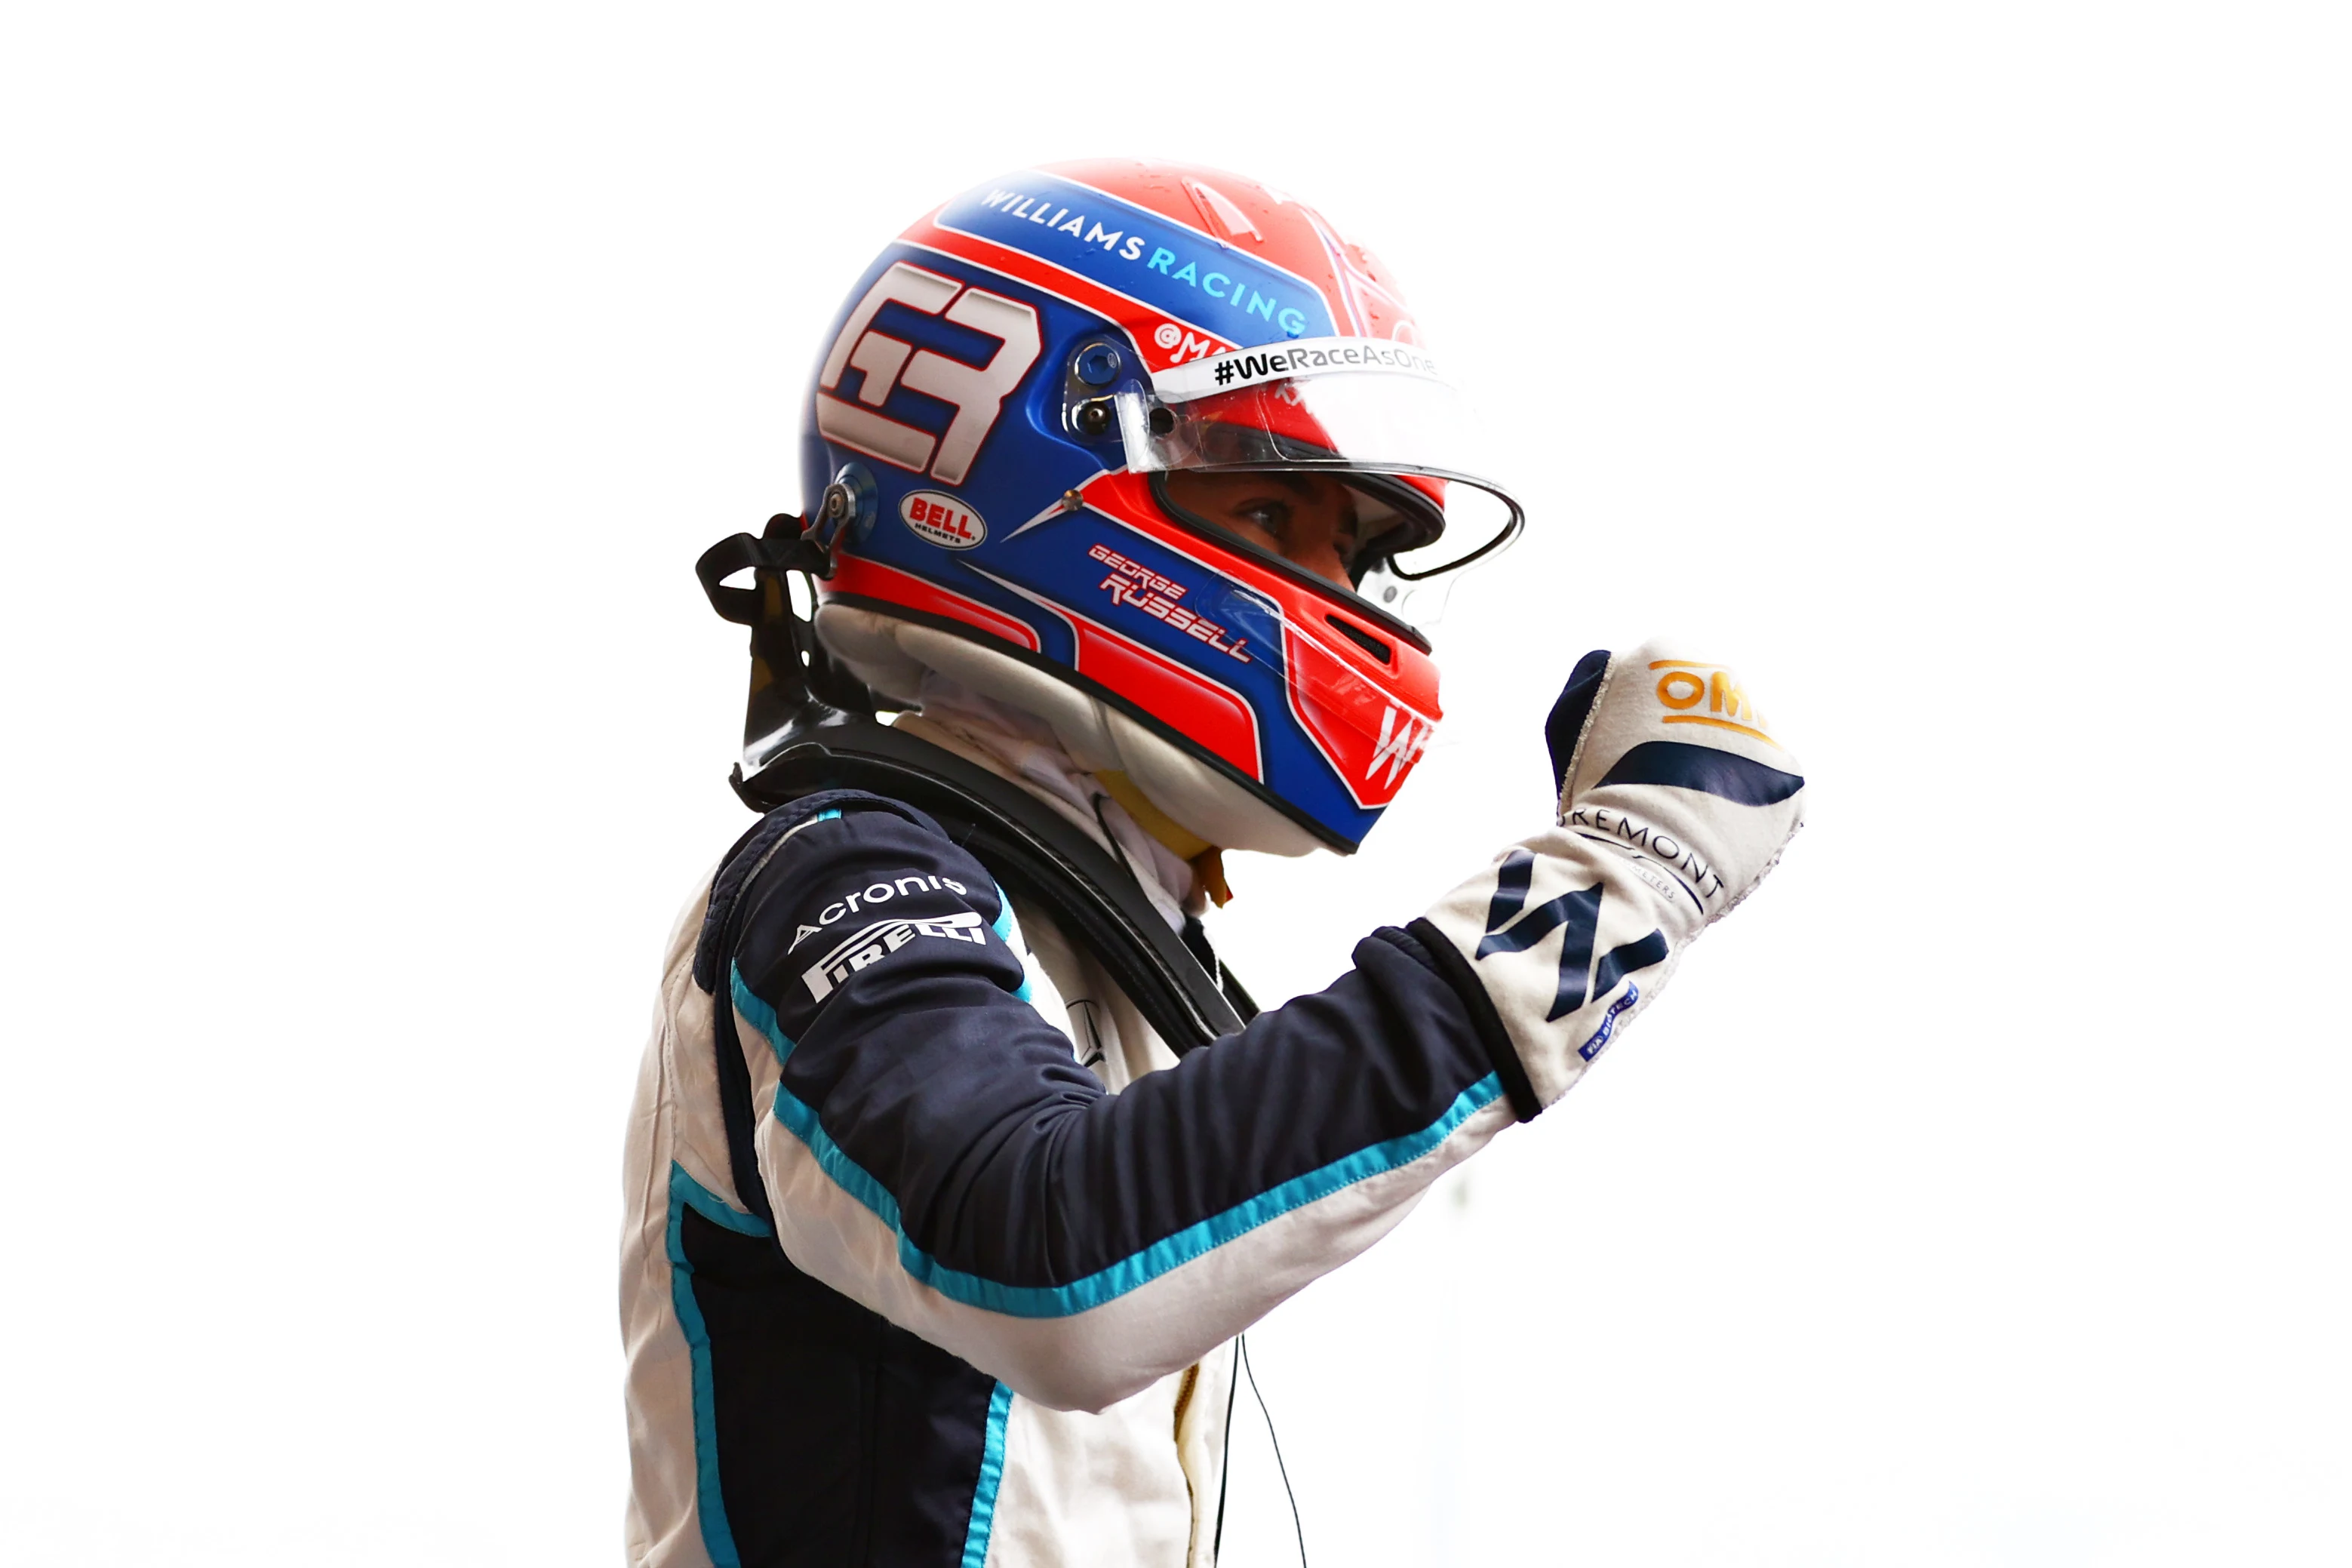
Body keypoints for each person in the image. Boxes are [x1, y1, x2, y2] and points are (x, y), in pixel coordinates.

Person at [619, 158, 1806, 1568]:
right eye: (1267, 514)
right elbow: (1052, 1259)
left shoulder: (1088, 928)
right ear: (1036, 470)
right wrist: (1607, 888)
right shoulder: (847, 865)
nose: (1338, 591)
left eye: (1356, 550)